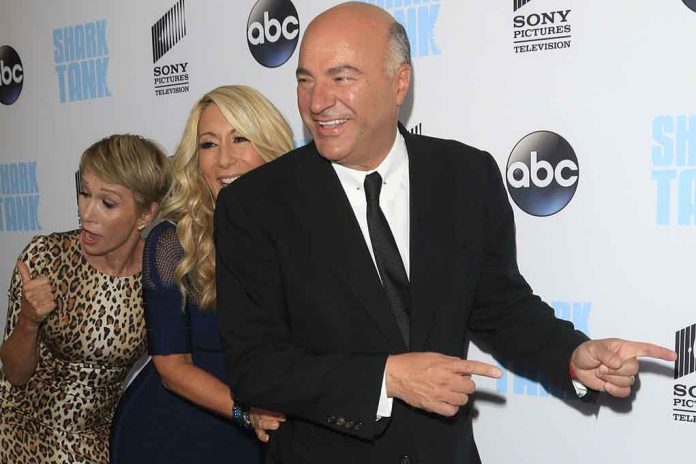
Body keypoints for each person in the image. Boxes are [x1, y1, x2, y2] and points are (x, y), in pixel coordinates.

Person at [214, 3, 677, 464]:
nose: (317, 102)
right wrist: (385, 378)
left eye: (342, 77)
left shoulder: (466, 175)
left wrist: (573, 355)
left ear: (399, 82)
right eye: (305, 79)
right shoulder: (255, 205)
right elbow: (256, 368)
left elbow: (500, 306)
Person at [109, 85, 293, 464]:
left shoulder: (305, 233)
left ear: (270, 145)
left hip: (271, 431)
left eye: (240, 138)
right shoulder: (173, 240)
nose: (224, 160)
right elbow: (171, 368)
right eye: (209, 144)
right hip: (177, 433)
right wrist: (247, 414)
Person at [0, 134, 171, 464]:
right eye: (84, 193)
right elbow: (15, 374)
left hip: (96, 446)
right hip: (18, 434)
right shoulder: (45, 256)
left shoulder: (159, 275)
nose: (86, 213)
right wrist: (28, 321)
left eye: (107, 203)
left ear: (146, 214)